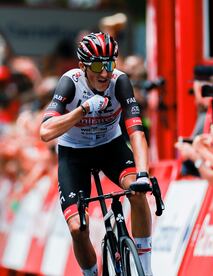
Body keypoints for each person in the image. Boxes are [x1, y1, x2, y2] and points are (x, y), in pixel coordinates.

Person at [39, 32, 153, 276]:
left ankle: (146, 268)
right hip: (74, 154)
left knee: (137, 190)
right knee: (78, 228)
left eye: (110, 64)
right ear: (82, 66)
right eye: (98, 65)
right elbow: (46, 132)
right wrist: (81, 110)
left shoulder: (120, 81)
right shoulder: (70, 82)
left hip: (110, 147)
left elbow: (136, 132)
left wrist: (143, 174)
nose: (105, 73)